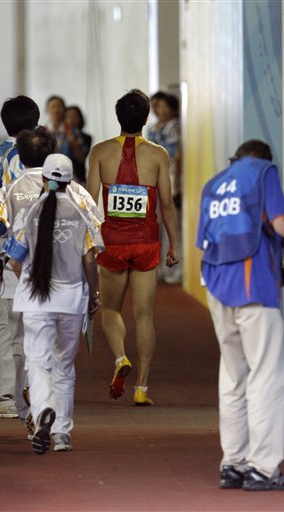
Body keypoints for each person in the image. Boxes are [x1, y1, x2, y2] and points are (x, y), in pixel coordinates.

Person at [0, 127, 103, 438]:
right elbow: (94, 240)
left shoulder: (10, 190)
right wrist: (93, 289)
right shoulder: (76, 192)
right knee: (58, 354)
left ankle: (30, 410)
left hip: (20, 283)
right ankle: (54, 416)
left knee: (22, 348)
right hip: (67, 286)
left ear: (19, 156)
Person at [196, 140, 284, 491]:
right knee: (267, 377)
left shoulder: (214, 182)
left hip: (216, 287)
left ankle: (234, 464)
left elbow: (205, 240)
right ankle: (263, 468)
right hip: (253, 285)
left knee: (233, 376)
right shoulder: (263, 172)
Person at [5, 153, 103, 455]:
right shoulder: (82, 210)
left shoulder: (29, 212)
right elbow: (90, 259)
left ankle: (43, 409)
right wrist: (94, 294)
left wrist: (30, 280)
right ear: (69, 180)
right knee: (64, 366)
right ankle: (62, 434)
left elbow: (14, 258)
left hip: (36, 299)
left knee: (37, 362)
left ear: (45, 180)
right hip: (71, 299)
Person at [87, 89, 179, 406]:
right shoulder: (158, 155)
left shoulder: (99, 152)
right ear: (145, 118)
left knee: (110, 309)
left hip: (112, 241)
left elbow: (89, 203)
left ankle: (120, 358)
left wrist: (89, 243)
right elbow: (166, 204)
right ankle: (141, 388)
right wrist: (174, 245)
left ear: (118, 117)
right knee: (144, 316)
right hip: (146, 243)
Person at [0, 95, 40, 419]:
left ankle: (8, 393)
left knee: (5, 323)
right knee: (9, 325)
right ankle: (0, 397)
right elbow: (23, 206)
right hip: (11, 251)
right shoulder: (20, 156)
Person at [147, 93, 182, 284]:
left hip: (169, 176)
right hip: (154, 178)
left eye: (161, 105)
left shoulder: (174, 126)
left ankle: (173, 268)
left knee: (171, 224)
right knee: (157, 224)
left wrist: (175, 183)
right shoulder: (153, 128)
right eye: (154, 106)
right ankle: (158, 267)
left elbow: (175, 157)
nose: (158, 109)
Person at [64, 105, 92, 185]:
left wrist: (74, 143)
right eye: (68, 116)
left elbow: (81, 158)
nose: (71, 119)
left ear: (80, 118)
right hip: (61, 178)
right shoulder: (60, 136)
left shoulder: (86, 137)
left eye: (74, 116)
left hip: (79, 179)